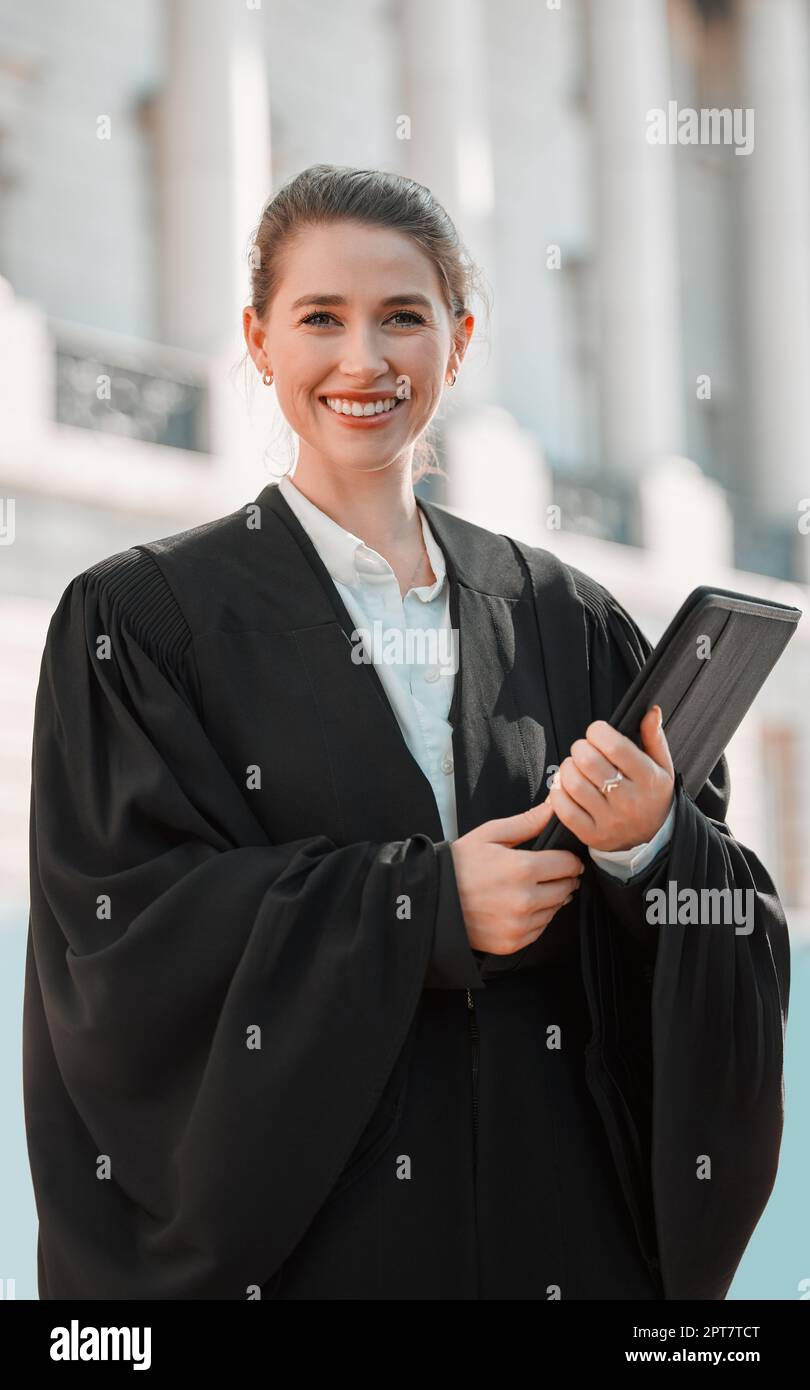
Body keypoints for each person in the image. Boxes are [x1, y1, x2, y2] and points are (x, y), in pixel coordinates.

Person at [23, 165, 789, 1301]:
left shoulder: (566, 618)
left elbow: (727, 924)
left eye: (403, 318)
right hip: (317, 1255)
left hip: (558, 1240)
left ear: (460, 339)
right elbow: (124, 936)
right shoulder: (142, 622)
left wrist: (648, 846)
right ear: (258, 338)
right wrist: (421, 906)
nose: (362, 361)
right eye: (320, 318)